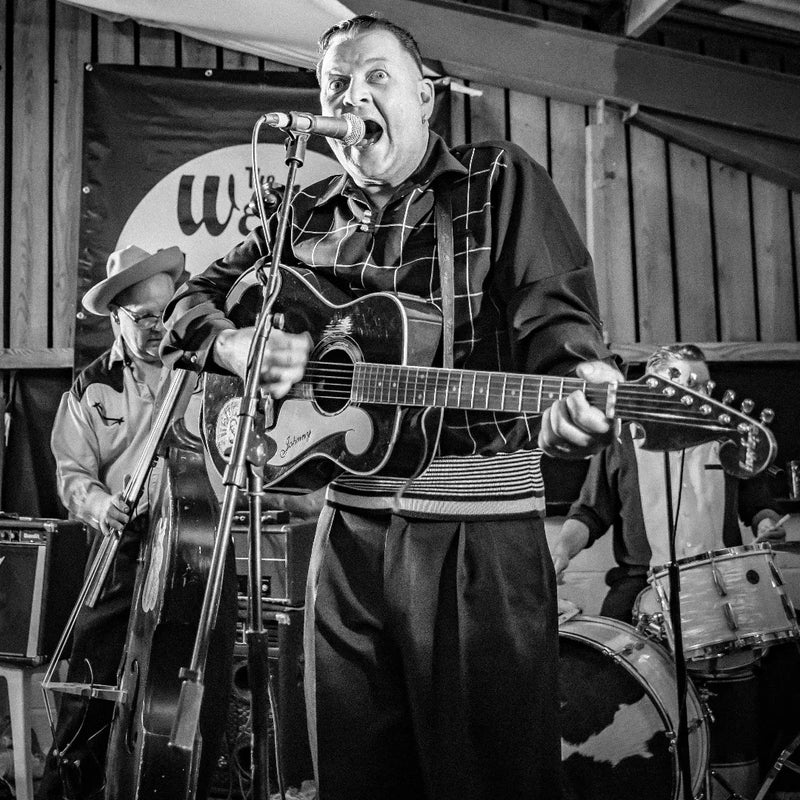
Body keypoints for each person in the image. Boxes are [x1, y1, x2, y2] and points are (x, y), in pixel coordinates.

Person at [161, 14, 622, 800]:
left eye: (376, 76)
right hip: (347, 537)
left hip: (477, 538)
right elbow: (187, 300)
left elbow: (559, 321)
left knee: (491, 780)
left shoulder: (496, 180)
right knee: (355, 776)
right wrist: (236, 347)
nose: (352, 94)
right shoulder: (296, 214)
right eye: (336, 81)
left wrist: (577, 388)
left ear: (425, 97)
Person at [39, 245, 196, 800]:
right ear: (115, 319)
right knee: (92, 680)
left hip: (193, 548)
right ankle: (73, 784)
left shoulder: (202, 372)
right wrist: (102, 505)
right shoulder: (91, 385)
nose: (159, 328)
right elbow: (70, 474)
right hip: (120, 546)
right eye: (144, 318)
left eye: (165, 312)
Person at [550, 343, 787, 621]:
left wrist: (768, 524)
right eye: (689, 387)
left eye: (704, 387)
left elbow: (757, 504)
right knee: (605, 655)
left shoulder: (730, 437)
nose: (701, 397)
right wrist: (562, 551)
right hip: (642, 581)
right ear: (656, 392)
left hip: (723, 574)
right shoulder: (620, 440)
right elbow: (591, 513)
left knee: (782, 651)